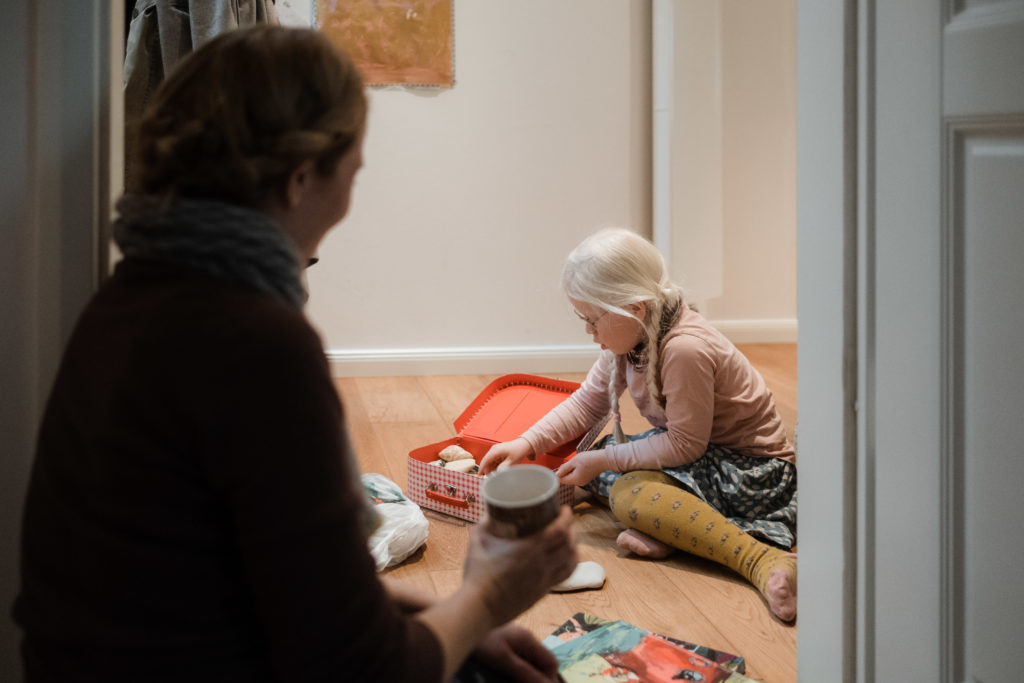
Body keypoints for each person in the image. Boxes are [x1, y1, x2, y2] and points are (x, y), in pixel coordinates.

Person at [14, 25, 577, 682]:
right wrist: (487, 597)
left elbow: (261, 572)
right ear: (301, 176)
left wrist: (447, 613)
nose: (351, 194)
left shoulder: (124, 302)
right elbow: (363, 668)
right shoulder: (256, 344)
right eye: (353, 169)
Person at [479, 227, 797, 622]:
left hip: (749, 471)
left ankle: (760, 560)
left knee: (626, 492)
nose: (588, 332)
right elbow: (586, 404)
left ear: (635, 309)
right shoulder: (633, 338)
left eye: (593, 320)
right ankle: (679, 531)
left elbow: (685, 446)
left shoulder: (684, 349)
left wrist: (607, 461)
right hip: (701, 457)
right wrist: (525, 443)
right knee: (589, 463)